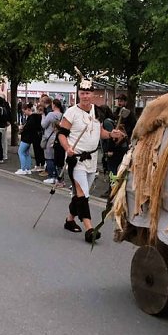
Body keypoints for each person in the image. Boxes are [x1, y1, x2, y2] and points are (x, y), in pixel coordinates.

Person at [58, 79, 122, 243]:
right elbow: (62, 134)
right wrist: (67, 148)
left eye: (88, 93)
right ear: (79, 94)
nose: (85, 96)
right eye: (82, 93)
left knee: (80, 194)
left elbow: (100, 132)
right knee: (83, 194)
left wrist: (111, 134)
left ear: (92, 94)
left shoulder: (97, 111)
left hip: (92, 159)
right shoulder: (71, 112)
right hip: (76, 159)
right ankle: (90, 229)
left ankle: (69, 220)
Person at [41, 99, 64, 185]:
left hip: (49, 138)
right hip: (58, 138)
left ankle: (52, 177)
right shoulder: (62, 115)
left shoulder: (51, 114)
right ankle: (58, 177)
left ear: (54, 105)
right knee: (57, 159)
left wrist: (43, 116)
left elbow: (43, 125)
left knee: (49, 158)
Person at [16, 104, 42, 175]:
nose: (24, 113)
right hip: (31, 138)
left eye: (24, 111)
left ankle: (23, 169)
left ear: (28, 109)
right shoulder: (37, 117)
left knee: (21, 152)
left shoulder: (31, 118)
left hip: (26, 138)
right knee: (27, 153)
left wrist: (22, 128)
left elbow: (28, 127)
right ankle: (28, 169)